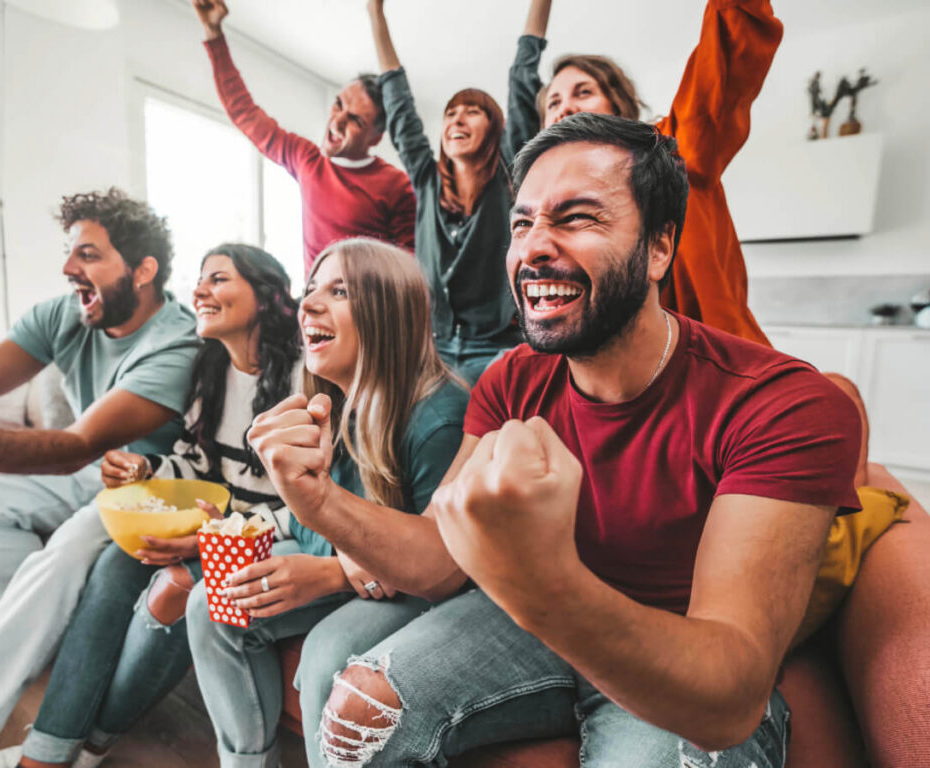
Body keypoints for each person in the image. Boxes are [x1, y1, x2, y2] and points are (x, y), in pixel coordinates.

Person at [249, 114, 862, 767]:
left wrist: (544, 581)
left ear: (659, 248)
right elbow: (437, 560)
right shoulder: (513, 378)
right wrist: (314, 499)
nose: (534, 247)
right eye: (522, 224)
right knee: (355, 714)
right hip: (527, 626)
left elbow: (729, 697)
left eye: (577, 219)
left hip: (674, 648)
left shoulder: (782, 404)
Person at [0, 244, 301, 768]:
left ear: (265, 296)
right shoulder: (211, 368)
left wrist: (217, 537)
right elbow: (199, 463)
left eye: (218, 279)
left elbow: (313, 503)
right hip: (215, 523)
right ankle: (48, 751)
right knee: (111, 564)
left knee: (176, 586)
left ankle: (90, 745)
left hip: (269, 538)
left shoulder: (305, 378)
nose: (200, 291)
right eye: (200, 280)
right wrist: (148, 472)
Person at [0, 188, 199, 768]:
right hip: (89, 473)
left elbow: (75, 446)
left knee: (64, 556)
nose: (68, 269)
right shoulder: (65, 315)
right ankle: (75, 651)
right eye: (70, 253)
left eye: (88, 255)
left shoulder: (177, 343)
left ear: (143, 270)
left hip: (148, 488)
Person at [189, 238, 469, 768]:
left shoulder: (439, 421)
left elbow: (446, 569)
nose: (308, 304)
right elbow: (312, 520)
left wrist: (332, 574)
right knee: (210, 603)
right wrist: (331, 557)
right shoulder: (329, 402)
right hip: (356, 573)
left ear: (389, 310)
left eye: (338, 291)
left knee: (326, 657)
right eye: (311, 288)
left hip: (423, 595)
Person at [532, 0, 781, 345]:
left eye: (584, 92)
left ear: (618, 104)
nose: (565, 108)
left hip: (715, 366)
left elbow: (730, 50)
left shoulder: (673, 151)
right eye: (553, 103)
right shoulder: (546, 203)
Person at [365, 0, 548, 383]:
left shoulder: (510, 177)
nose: (457, 119)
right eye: (450, 112)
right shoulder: (427, 181)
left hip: (499, 350)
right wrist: (375, 12)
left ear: (495, 129)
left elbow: (522, 76)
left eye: (472, 111)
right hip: (431, 350)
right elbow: (398, 104)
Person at [192, 0, 416, 274]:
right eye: (338, 104)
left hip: (366, 311)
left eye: (355, 120)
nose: (337, 120)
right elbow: (245, 114)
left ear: (375, 138)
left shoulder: (396, 185)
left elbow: (409, 267)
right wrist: (214, 33)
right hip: (313, 306)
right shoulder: (307, 160)